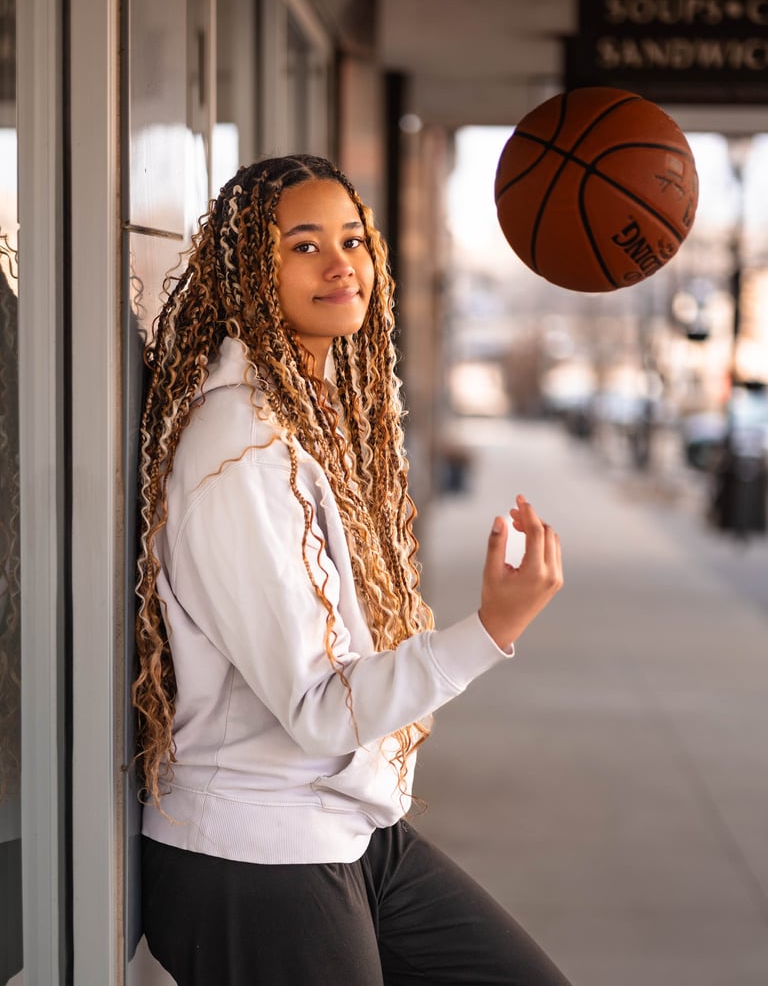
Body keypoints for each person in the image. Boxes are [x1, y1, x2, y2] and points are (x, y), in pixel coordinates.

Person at [134, 154, 569, 986]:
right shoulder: (240, 448)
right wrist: (491, 630)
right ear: (249, 273)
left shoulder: (307, 411)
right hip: (254, 857)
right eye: (303, 245)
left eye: (352, 237)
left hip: (341, 827)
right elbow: (320, 709)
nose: (342, 263)